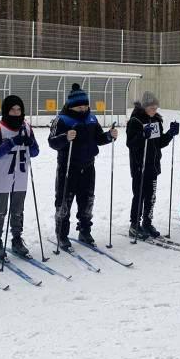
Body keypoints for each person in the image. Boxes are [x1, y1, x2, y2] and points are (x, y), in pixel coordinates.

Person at [48, 83, 118, 251]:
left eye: (85, 105)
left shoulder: (91, 118)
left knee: (87, 201)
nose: (83, 108)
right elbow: (52, 141)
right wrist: (66, 137)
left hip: (88, 165)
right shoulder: (62, 119)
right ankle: (62, 234)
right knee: (64, 201)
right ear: (72, 105)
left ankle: (85, 230)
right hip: (68, 167)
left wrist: (109, 136)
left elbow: (99, 138)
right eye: (80, 106)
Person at [0, 95, 40, 257]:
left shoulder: (26, 127)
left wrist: (29, 143)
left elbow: (35, 151)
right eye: (12, 109)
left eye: (19, 110)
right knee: (0, 210)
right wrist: (11, 142)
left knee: (18, 209)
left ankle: (17, 238)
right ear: (6, 110)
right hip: (3, 174)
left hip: (21, 173)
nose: (16, 113)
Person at [127, 91, 179, 239]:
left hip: (153, 165)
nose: (154, 110)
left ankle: (147, 222)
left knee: (151, 196)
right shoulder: (135, 121)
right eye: (151, 108)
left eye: (156, 108)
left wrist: (170, 134)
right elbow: (130, 143)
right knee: (139, 195)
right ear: (144, 107)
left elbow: (159, 142)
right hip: (139, 166)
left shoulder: (156, 120)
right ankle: (134, 224)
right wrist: (142, 135)